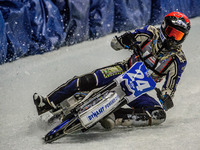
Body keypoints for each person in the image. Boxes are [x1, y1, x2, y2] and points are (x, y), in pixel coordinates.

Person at [33, 12, 191, 129]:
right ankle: (47, 102)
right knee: (89, 79)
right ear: (163, 28)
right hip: (123, 69)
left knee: (159, 114)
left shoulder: (178, 60)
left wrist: (166, 97)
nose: (172, 39)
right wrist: (124, 40)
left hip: (138, 89)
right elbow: (115, 44)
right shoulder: (149, 32)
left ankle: (113, 116)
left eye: (178, 36)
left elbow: (171, 88)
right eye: (171, 33)